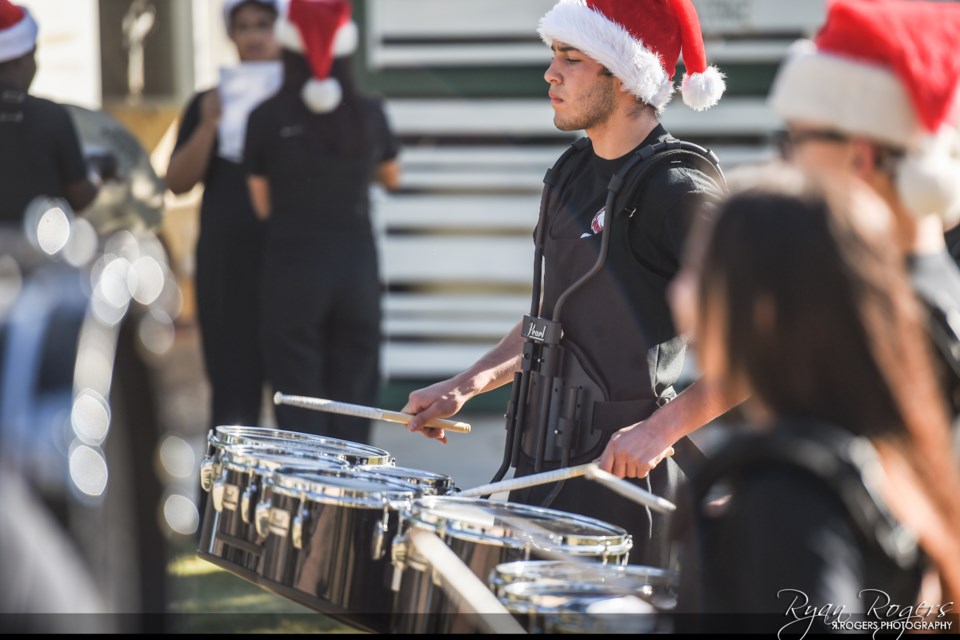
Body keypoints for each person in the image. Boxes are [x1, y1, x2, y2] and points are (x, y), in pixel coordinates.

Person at [402, 0, 732, 567]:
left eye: (570, 58)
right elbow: (551, 320)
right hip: (540, 461)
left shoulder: (679, 191)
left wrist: (659, 431)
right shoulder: (571, 173)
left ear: (626, 78)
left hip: (622, 479)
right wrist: (469, 382)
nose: (550, 73)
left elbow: (770, 346)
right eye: (553, 55)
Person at [672, 169, 960, 630]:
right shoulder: (869, 460)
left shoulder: (788, 493)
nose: (678, 295)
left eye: (698, 274)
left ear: (764, 310)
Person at [767, 0, 960, 445]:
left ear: (862, 155)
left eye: (795, 139)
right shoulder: (924, 297)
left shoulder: (883, 319)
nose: (787, 162)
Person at [244, 0, 400, 444]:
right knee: (355, 390)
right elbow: (392, 177)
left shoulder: (265, 117)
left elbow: (262, 205)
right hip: (355, 268)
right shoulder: (369, 114)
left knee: (298, 398)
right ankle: (353, 501)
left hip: (291, 267)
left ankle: (307, 499)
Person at [167, 0, 280, 430]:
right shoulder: (206, 101)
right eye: (244, 26)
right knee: (233, 403)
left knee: (297, 402)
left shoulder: (302, 98)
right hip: (227, 269)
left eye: (264, 25)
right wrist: (210, 126)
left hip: (289, 270)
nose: (253, 36)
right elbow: (177, 181)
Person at [0, 0, 99, 224]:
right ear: (21, 60)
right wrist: (98, 171)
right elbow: (80, 196)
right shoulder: (50, 116)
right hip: (37, 255)